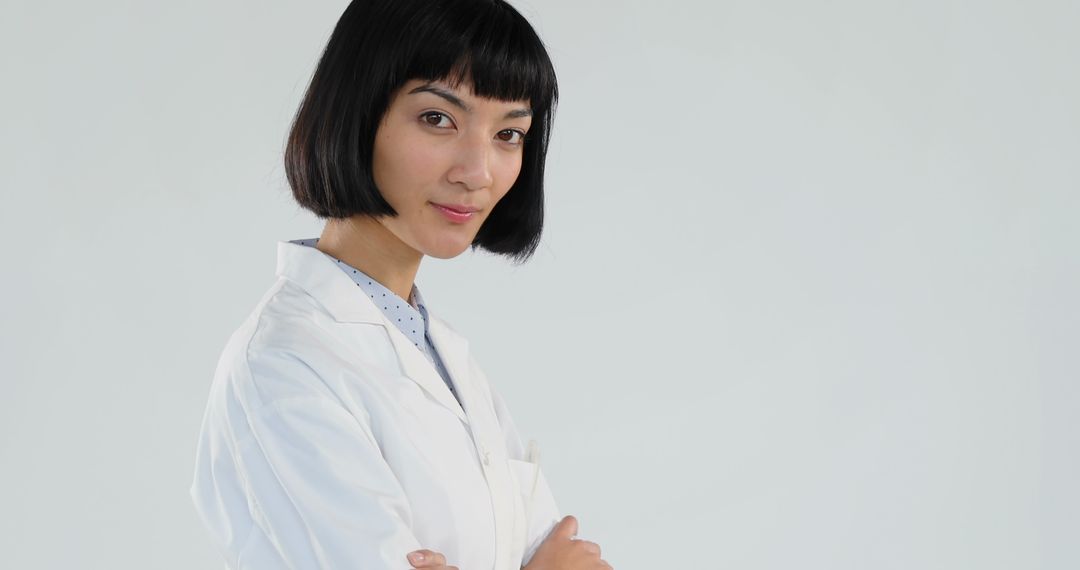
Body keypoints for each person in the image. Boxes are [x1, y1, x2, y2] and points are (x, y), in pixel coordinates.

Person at [189, 0, 612, 568]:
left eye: (509, 133)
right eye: (438, 119)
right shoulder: (283, 366)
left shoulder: (441, 353)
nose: (478, 171)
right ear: (358, 112)